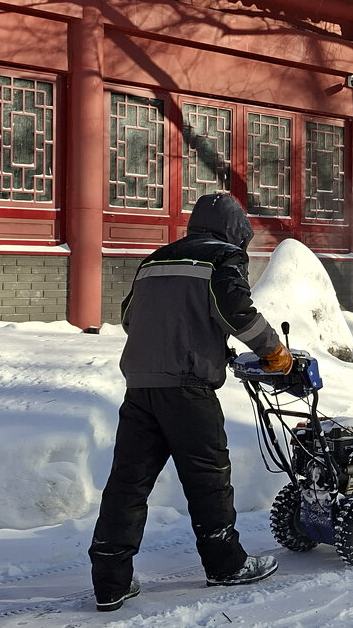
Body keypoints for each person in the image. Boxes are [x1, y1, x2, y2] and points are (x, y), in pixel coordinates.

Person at [89, 192, 294, 612]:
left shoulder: (155, 259)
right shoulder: (222, 258)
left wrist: (192, 336)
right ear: (234, 230)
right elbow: (238, 313)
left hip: (141, 388)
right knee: (208, 480)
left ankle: (110, 582)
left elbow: (130, 318)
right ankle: (225, 564)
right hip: (188, 390)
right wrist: (275, 352)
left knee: (128, 484)